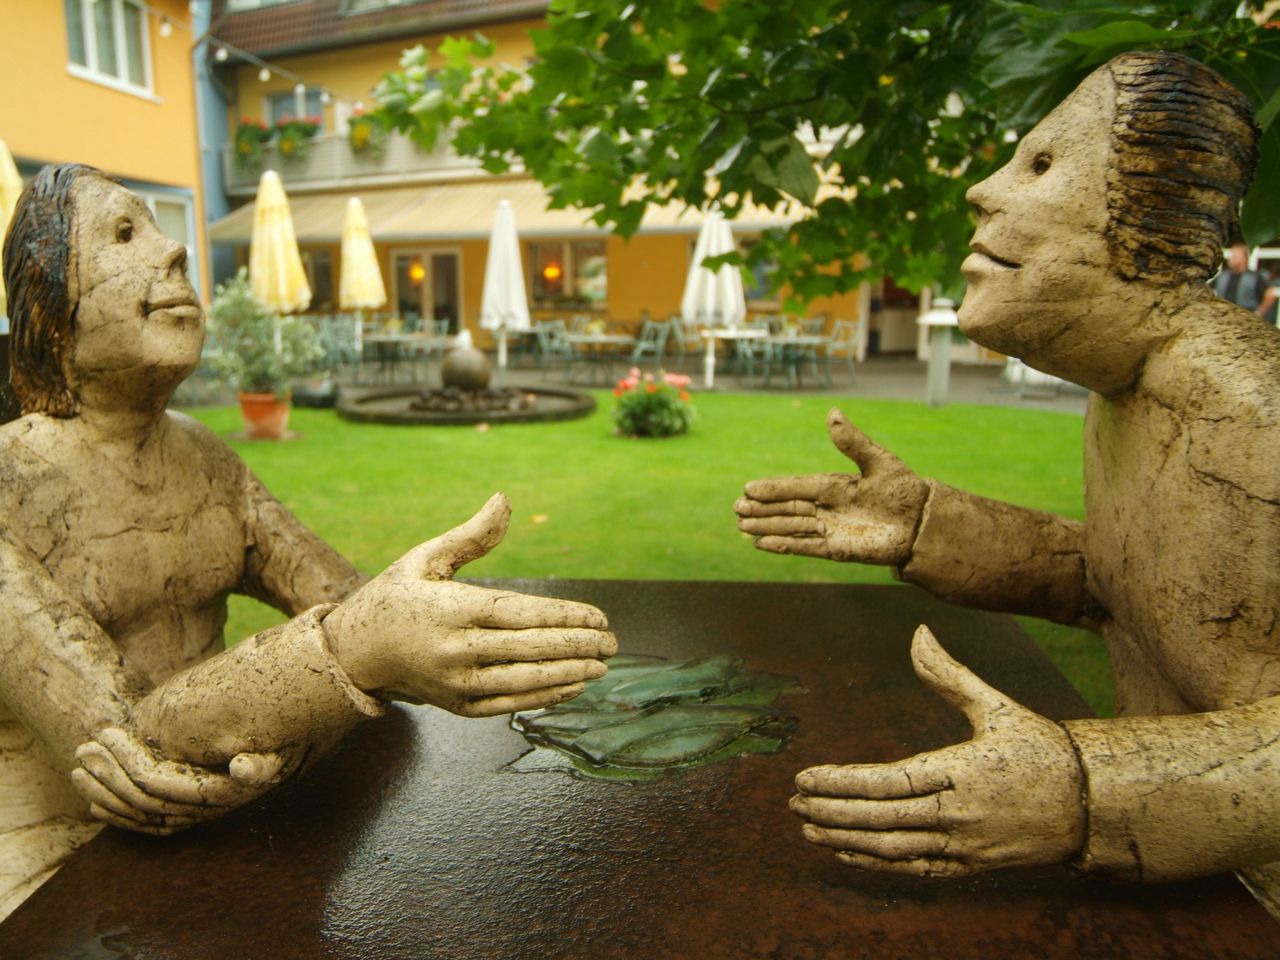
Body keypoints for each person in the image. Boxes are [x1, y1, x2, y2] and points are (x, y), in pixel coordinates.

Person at [735, 51, 1280, 915]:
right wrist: (931, 526)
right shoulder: (1130, 397)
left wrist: (1083, 789)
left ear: (1144, 220)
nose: (982, 191)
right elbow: (1133, 590)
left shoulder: (1256, 415)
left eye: (1041, 165)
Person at [0, 164, 616, 918]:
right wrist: (351, 654)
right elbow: (129, 750)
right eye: (125, 232)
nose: (174, 252)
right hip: (56, 875)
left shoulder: (202, 456)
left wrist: (379, 643)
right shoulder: (10, 487)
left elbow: (348, 597)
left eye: (160, 226)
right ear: (48, 304)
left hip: (234, 834)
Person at [1213, 241, 1269, 312]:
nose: (1231, 259)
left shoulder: (1254, 277)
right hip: (1223, 314)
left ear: (1244, 259)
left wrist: (1259, 313)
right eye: (1231, 256)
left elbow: (1269, 293)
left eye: (1235, 257)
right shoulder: (1222, 276)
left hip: (1246, 315)